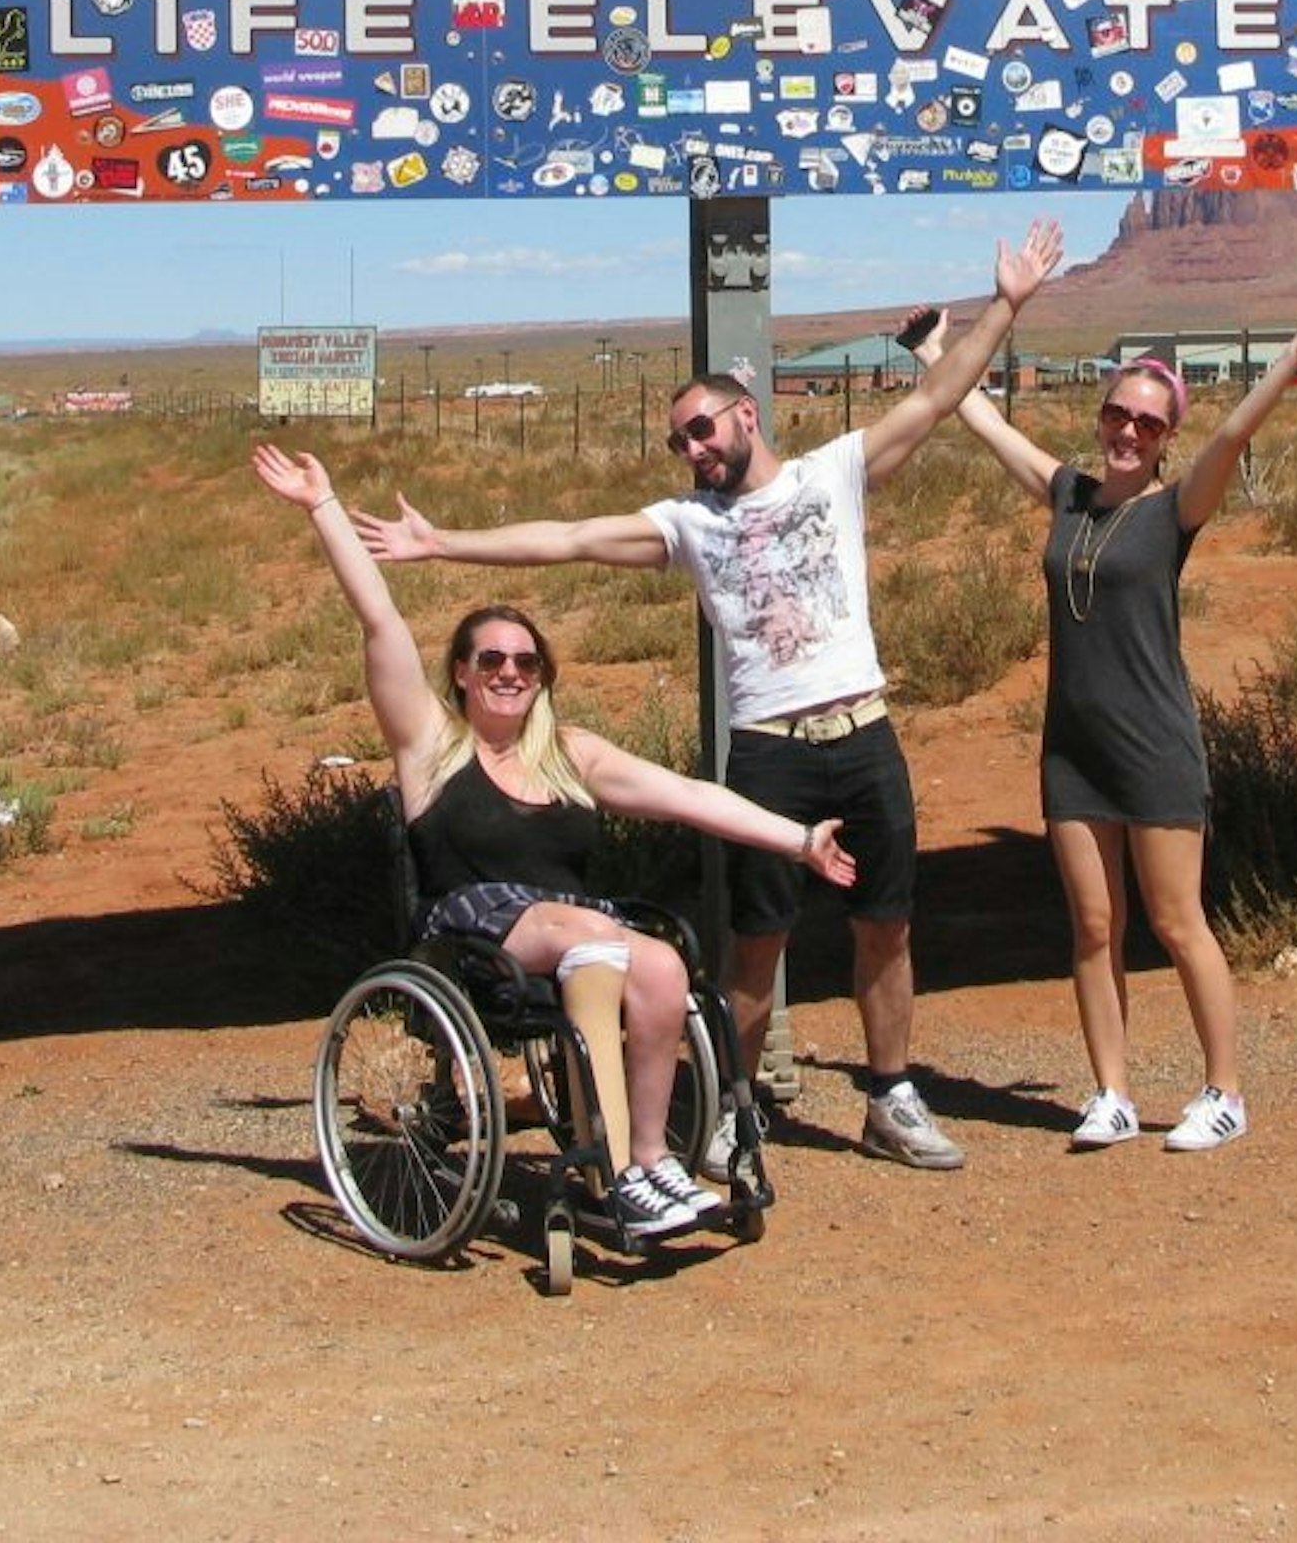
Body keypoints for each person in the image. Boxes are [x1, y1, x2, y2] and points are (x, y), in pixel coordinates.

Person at [353, 216, 1065, 1173]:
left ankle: (891, 1096)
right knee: (757, 940)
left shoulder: (834, 474)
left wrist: (1007, 306)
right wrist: (445, 545)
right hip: (767, 749)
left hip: (863, 731)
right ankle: (732, 1109)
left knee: (886, 923)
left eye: (701, 428)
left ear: (746, 416)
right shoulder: (684, 525)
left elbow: (936, 398)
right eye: (677, 438)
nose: (690, 448)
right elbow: (568, 536)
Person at [251, 443, 854, 1243]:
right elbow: (379, 618)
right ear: (461, 674)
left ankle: (647, 1159)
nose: (509, 672)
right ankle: (618, 1167)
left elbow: (693, 798)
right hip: (471, 932)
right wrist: (322, 506)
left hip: (574, 928)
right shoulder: (433, 747)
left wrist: (801, 838)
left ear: (542, 677)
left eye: (526, 662)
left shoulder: (573, 752)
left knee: (665, 961)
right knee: (597, 938)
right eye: (491, 659)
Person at [906, 304, 1297, 1153]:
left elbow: (1230, 436)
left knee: (1176, 921)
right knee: (1091, 928)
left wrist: (1293, 355)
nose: (1129, 430)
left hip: (1154, 746)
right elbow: (979, 419)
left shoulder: (1173, 513)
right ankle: (1112, 1093)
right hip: (1072, 752)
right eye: (1118, 414)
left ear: (1164, 437)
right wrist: (936, 353)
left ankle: (1224, 1091)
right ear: (1101, 417)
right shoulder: (1069, 496)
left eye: (1148, 422)